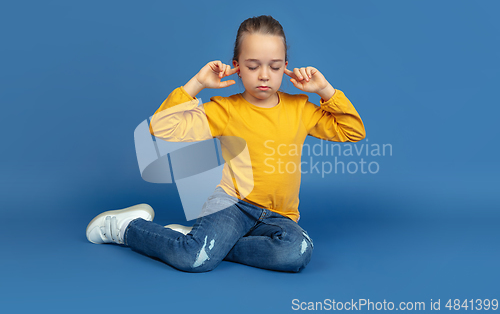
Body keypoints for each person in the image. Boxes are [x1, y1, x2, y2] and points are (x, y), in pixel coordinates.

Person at [86, 15, 366, 273]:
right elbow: (161, 127)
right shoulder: (225, 110)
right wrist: (197, 83)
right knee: (193, 260)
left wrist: (324, 89)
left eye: (275, 66)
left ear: (286, 67)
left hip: (279, 216)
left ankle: (204, 242)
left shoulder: (300, 109)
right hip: (231, 206)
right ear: (237, 67)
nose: (264, 75)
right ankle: (125, 228)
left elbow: (353, 131)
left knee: (297, 252)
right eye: (253, 66)